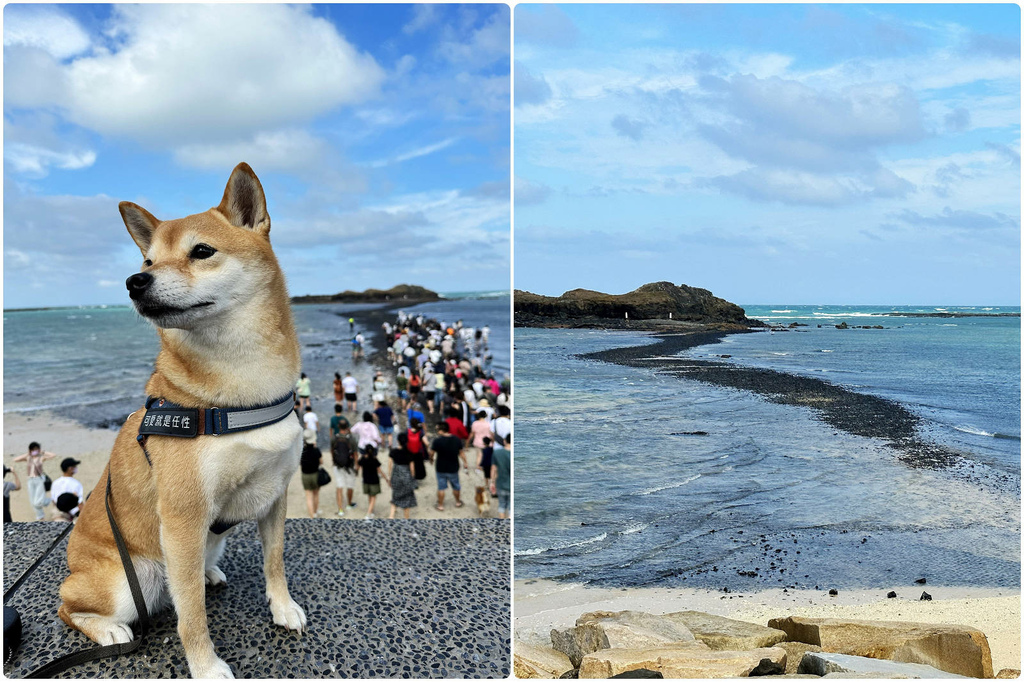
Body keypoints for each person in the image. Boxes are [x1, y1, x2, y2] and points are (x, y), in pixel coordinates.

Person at [429, 421, 468, 512]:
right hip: (453, 467)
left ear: (441, 430)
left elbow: (431, 453)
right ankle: (458, 502)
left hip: (441, 467)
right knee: (456, 485)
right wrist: (465, 462)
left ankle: (440, 505)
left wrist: (431, 459)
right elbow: (461, 453)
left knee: (441, 487)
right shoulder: (456, 439)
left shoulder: (437, 441)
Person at [12, 442, 57, 520]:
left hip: (39, 479)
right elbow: (15, 459)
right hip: (30, 480)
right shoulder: (28, 458)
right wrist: (27, 454)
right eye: (33, 449)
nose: (34, 451)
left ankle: (51, 500)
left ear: (38, 449)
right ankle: (41, 517)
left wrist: (42, 452)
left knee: (38, 502)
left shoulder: (41, 457)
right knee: (33, 502)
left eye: (36, 449)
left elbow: (53, 455)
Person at [387, 433, 418, 519]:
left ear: (398, 441)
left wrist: (389, 477)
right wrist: (413, 479)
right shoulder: (409, 453)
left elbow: (390, 465)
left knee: (395, 496)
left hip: (396, 476)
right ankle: (406, 519)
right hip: (406, 477)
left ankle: (391, 516)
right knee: (407, 500)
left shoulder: (393, 452)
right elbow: (412, 469)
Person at [331, 422, 359, 515]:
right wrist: (357, 465)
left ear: (338, 426)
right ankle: (349, 504)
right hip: (349, 465)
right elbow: (355, 453)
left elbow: (332, 450)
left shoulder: (334, 438)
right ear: (347, 427)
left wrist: (334, 461)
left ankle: (340, 509)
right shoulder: (351, 439)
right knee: (350, 485)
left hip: (338, 465)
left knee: (339, 487)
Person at [356, 445, 388, 519]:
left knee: (369, 496)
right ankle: (369, 513)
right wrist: (386, 478)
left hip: (366, 480)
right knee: (373, 497)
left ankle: (371, 511)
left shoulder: (363, 459)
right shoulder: (374, 459)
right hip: (374, 481)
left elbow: (358, 467)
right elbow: (380, 471)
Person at [299, 429, 323, 518]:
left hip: (305, 475)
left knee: (308, 496)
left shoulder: (301, 451)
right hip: (315, 474)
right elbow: (321, 461)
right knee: (316, 494)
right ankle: (316, 512)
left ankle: (311, 516)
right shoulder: (316, 450)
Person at [490, 434, 511, 519]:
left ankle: (502, 524)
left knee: (501, 505)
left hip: (501, 484)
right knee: (511, 507)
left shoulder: (497, 453)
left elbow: (493, 469)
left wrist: (492, 483)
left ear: (505, 441)